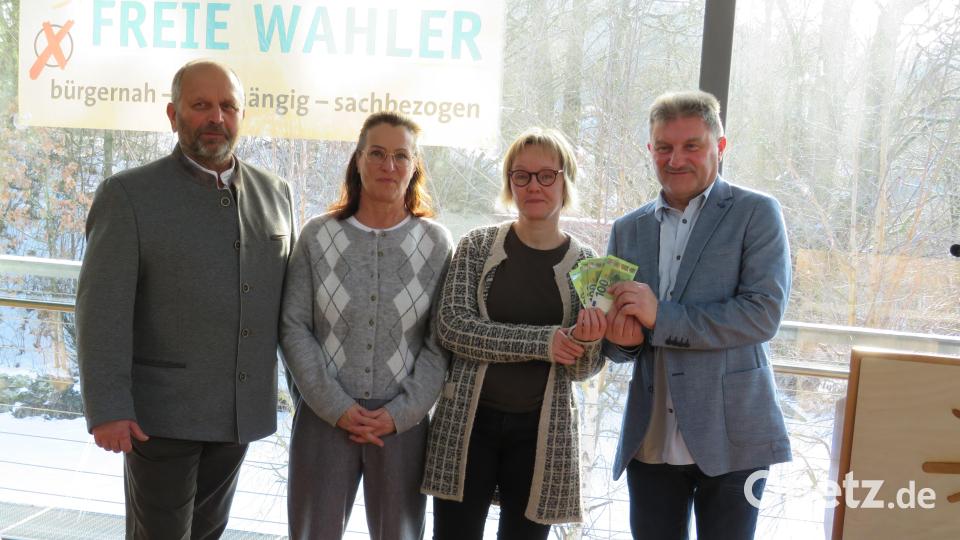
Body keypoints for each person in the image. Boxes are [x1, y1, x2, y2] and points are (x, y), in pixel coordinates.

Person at [76, 59, 296, 539]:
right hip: (160, 415)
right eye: (201, 105)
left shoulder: (276, 193)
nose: (216, 117)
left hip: (239, 413)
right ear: (173, 115)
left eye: (228, 106)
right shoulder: (128, 194)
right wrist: (108, 406)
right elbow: (101, 310)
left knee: (207, 533)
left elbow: (290, 307)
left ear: (241, 115)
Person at [602, 90, 792, 540]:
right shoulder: (627, 229)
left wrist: (661, 317)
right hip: (650, 437)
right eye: (664, 147)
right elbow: (621, 341)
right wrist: (620, 342)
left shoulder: (757, 213)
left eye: (692, 145)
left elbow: (762, 314)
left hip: (733, 436)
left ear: (719, 147)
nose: (676, 159)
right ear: (650, 150)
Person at [421, 128, 607, 539]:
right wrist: (544, 342)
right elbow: (452, 327)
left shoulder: (587, 264)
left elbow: (582, 370)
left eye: (546, 175)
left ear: (565, 181)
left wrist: (589, 342)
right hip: (467, 425)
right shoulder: (476, 245)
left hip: (543, 433)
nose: (533, 186)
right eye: (521, 175)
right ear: (509, 183)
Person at [280, 111, 453, 540]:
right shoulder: (317, 236)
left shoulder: (436, 243)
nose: (388, 165)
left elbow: (439, 343)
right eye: (376, 153)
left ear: (414, 166)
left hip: (402, 426)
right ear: (357, 160)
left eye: (400, 156)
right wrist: (335, 406)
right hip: (324, 418)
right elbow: (293, 326)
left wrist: (400, 413)